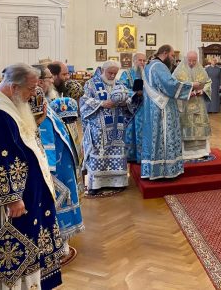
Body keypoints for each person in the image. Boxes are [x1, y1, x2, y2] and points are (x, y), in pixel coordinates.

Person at [0, 63, 63, 289]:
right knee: (10, 256)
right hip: (9, 205)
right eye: (31, 89)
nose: (34, 94)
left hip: (22, 195)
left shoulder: (4, 106)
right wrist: (11, 198)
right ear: (13, 87)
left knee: (27, 247)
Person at [35, 64, 84, 260]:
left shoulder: (47, 101)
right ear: (39, 82)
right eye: (48, 78)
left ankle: (59, 242)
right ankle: (52, 244)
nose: (51, 81)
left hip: (61, 165)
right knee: (53, 203)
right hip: (50, 166)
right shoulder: (35, 105)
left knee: (62, 201)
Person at [142, 45, 202, 179]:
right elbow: (170, 85)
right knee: (165, 136)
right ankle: (166, 170)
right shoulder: (159, 66)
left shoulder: (149, 65)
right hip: (162, 108)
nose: (173, 59)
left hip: (153, 107)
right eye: (172, 55)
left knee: (155, 137)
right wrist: (192, 85)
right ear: (165, 53)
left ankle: (154, 169)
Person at [80, 61, 137, 195]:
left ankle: (118, 182)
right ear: (103, 71)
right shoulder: (91, 84)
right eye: (110, 73)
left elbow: (129, 100)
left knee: (117, 152)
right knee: (99, 153)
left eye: (115, 73)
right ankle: (96, 185)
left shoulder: (119, 84)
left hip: (117, 126)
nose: (112, 76)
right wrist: (102, 103)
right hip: (98, 128)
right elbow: (84, 101)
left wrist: (125, 103)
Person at [172, 51, 212, 159]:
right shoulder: (178, 71)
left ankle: (201, 152)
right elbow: (173, 85)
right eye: (190, 60)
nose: (192, 63)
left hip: (199, 103)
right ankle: (185, 153)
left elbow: (208, 82)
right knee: (185, 125)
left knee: (199, 125)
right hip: (184, 104)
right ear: (186, 59)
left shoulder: (201, 70)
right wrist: (189, 90)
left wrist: (202, 91)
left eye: (194, 60)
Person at [121, 52, 146, 162]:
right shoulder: (126, 74)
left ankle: (143, 156)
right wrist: (135, 93)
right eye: (140, 60)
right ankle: (131, 156)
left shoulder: (148, 74)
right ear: (134, 61)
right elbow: (122, 88)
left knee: (144, 131)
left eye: (144, 61)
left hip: (145, 108)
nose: (142, 63)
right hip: (131, 109)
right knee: (131, 132)